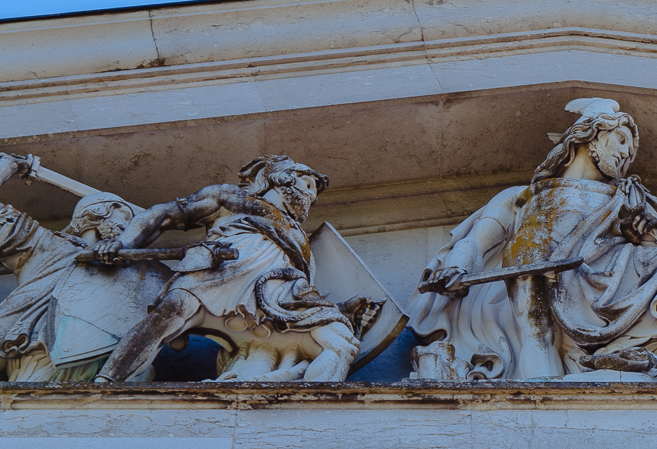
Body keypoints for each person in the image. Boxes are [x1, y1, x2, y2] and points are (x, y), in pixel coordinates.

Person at [408, 98, 657, 380]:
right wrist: (456, 268)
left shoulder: (628, 198)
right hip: (541, 268)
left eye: (629, 151)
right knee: (533, 281)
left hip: (613, 275)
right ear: (590, 134)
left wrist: (646, 235)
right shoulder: (523, 197)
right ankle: (541, 392)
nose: (625, 153)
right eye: (621, 140)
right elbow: (476, 242)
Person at [93, 155, 376, 383]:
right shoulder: (232, 198)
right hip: (217, 276)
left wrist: (344, 309)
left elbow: (303, 286)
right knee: (169, 313)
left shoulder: (299, 238)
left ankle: (311, 408)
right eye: (308, 184)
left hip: (278, 299)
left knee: (340, 341)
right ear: (281, 178)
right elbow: (163, 214)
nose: (312, 195)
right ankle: (106, 382)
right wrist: (123, 243)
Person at [0, 152, 136, 381]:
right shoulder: (44, 241)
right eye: (123, 217)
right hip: (33, 350)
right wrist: (8, 166)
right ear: (95, 213)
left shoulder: (126, 272)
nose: (129, 229)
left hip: (102, 365)